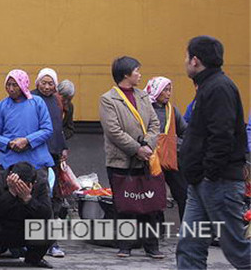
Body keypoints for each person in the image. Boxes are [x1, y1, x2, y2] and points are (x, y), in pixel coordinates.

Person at [176, 36, 250, 270]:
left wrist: (210, 172)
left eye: (187, 57)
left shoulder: (219, 88)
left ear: (195, 60)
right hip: (201, 183)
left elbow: (222, 136)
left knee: (236, 250)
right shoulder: (208, 86)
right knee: (189, 245)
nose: (185, 61)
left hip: (218, 182)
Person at [99, 56, 163, 259]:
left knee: (148, 204)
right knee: (125, 204)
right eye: (137, 70)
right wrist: (136, 148)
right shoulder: (109, 99)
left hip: (144, 160)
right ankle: (125, 246)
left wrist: (148, 145)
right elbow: (113, 131)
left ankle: (151, 246)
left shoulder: (143, 96)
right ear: (126, 74)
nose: (139, 74)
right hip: (121, 161)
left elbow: (155, 124)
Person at [0, 162, 53, 268]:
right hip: (0, 226)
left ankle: (34, 259)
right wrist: (11, 194)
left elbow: (46, 213)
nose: (21, 188)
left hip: (26, 228)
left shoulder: (40, 183)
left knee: (52, 227)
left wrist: (28, 199)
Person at [33, 68, 68, 258]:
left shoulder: (57, 100)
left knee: (54, 200)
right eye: (44, 82)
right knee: (39, 198)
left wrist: (63, 147)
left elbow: (59, 127)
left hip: (53, 154)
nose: (47, 86)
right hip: (37, 155)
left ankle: (52, 242)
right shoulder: (30, 98)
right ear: (37, 82)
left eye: (51, 83)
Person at [144, 76, 188, 221]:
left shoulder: (172, 110)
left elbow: (185, 131)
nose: (169, 93)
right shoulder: (145, 109)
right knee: (154, 194)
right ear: (156, 90)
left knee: (182, 193)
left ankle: (186, 228)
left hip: (171, 158)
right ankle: (158, 228)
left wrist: (177, 143)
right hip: (151, 159)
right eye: (165, 90)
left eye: (170, 90)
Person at [0, 70, 54, 173]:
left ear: (23, 85)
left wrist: (27, 140)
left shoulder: (37, 102)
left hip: (36, 162)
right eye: (8, 85)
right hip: (9, 163)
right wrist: (8, 143)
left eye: (15, 85)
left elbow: (47, 129)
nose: (11, 89)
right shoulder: (2, 106)